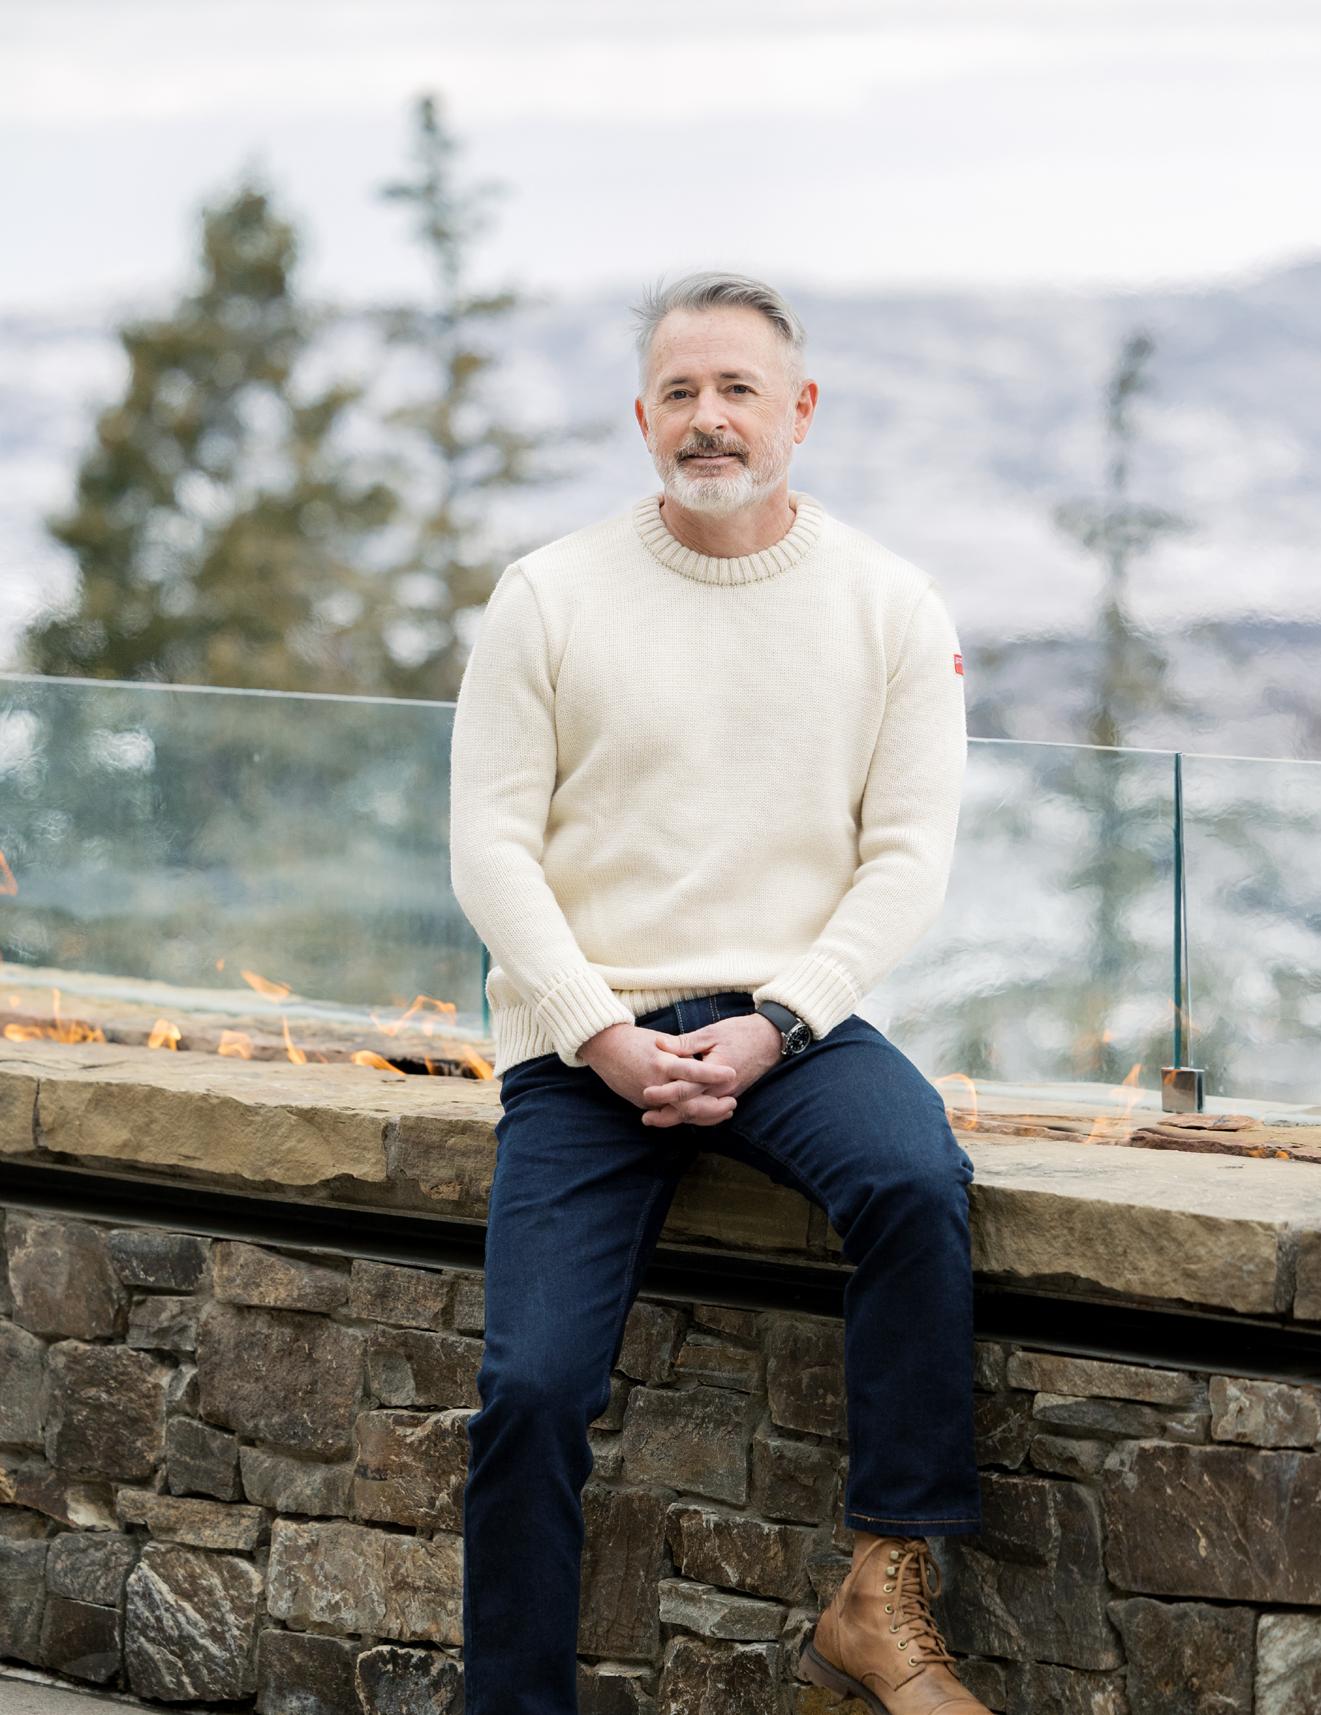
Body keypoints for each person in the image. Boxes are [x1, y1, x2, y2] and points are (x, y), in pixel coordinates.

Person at [449, 269, 988, 1714]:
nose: (708, 417)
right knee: (530, 1391)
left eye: (737, 388)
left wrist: (777, 1021)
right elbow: (490, 847)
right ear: (642, 418)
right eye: (679, 391)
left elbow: (907, 859)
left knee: (914, 1184)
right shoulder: (548, 596)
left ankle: (881, 1593)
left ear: (797, 409)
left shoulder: (888, 604)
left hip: (791, 1025)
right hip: (584, 1038)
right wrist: (599, 1033)